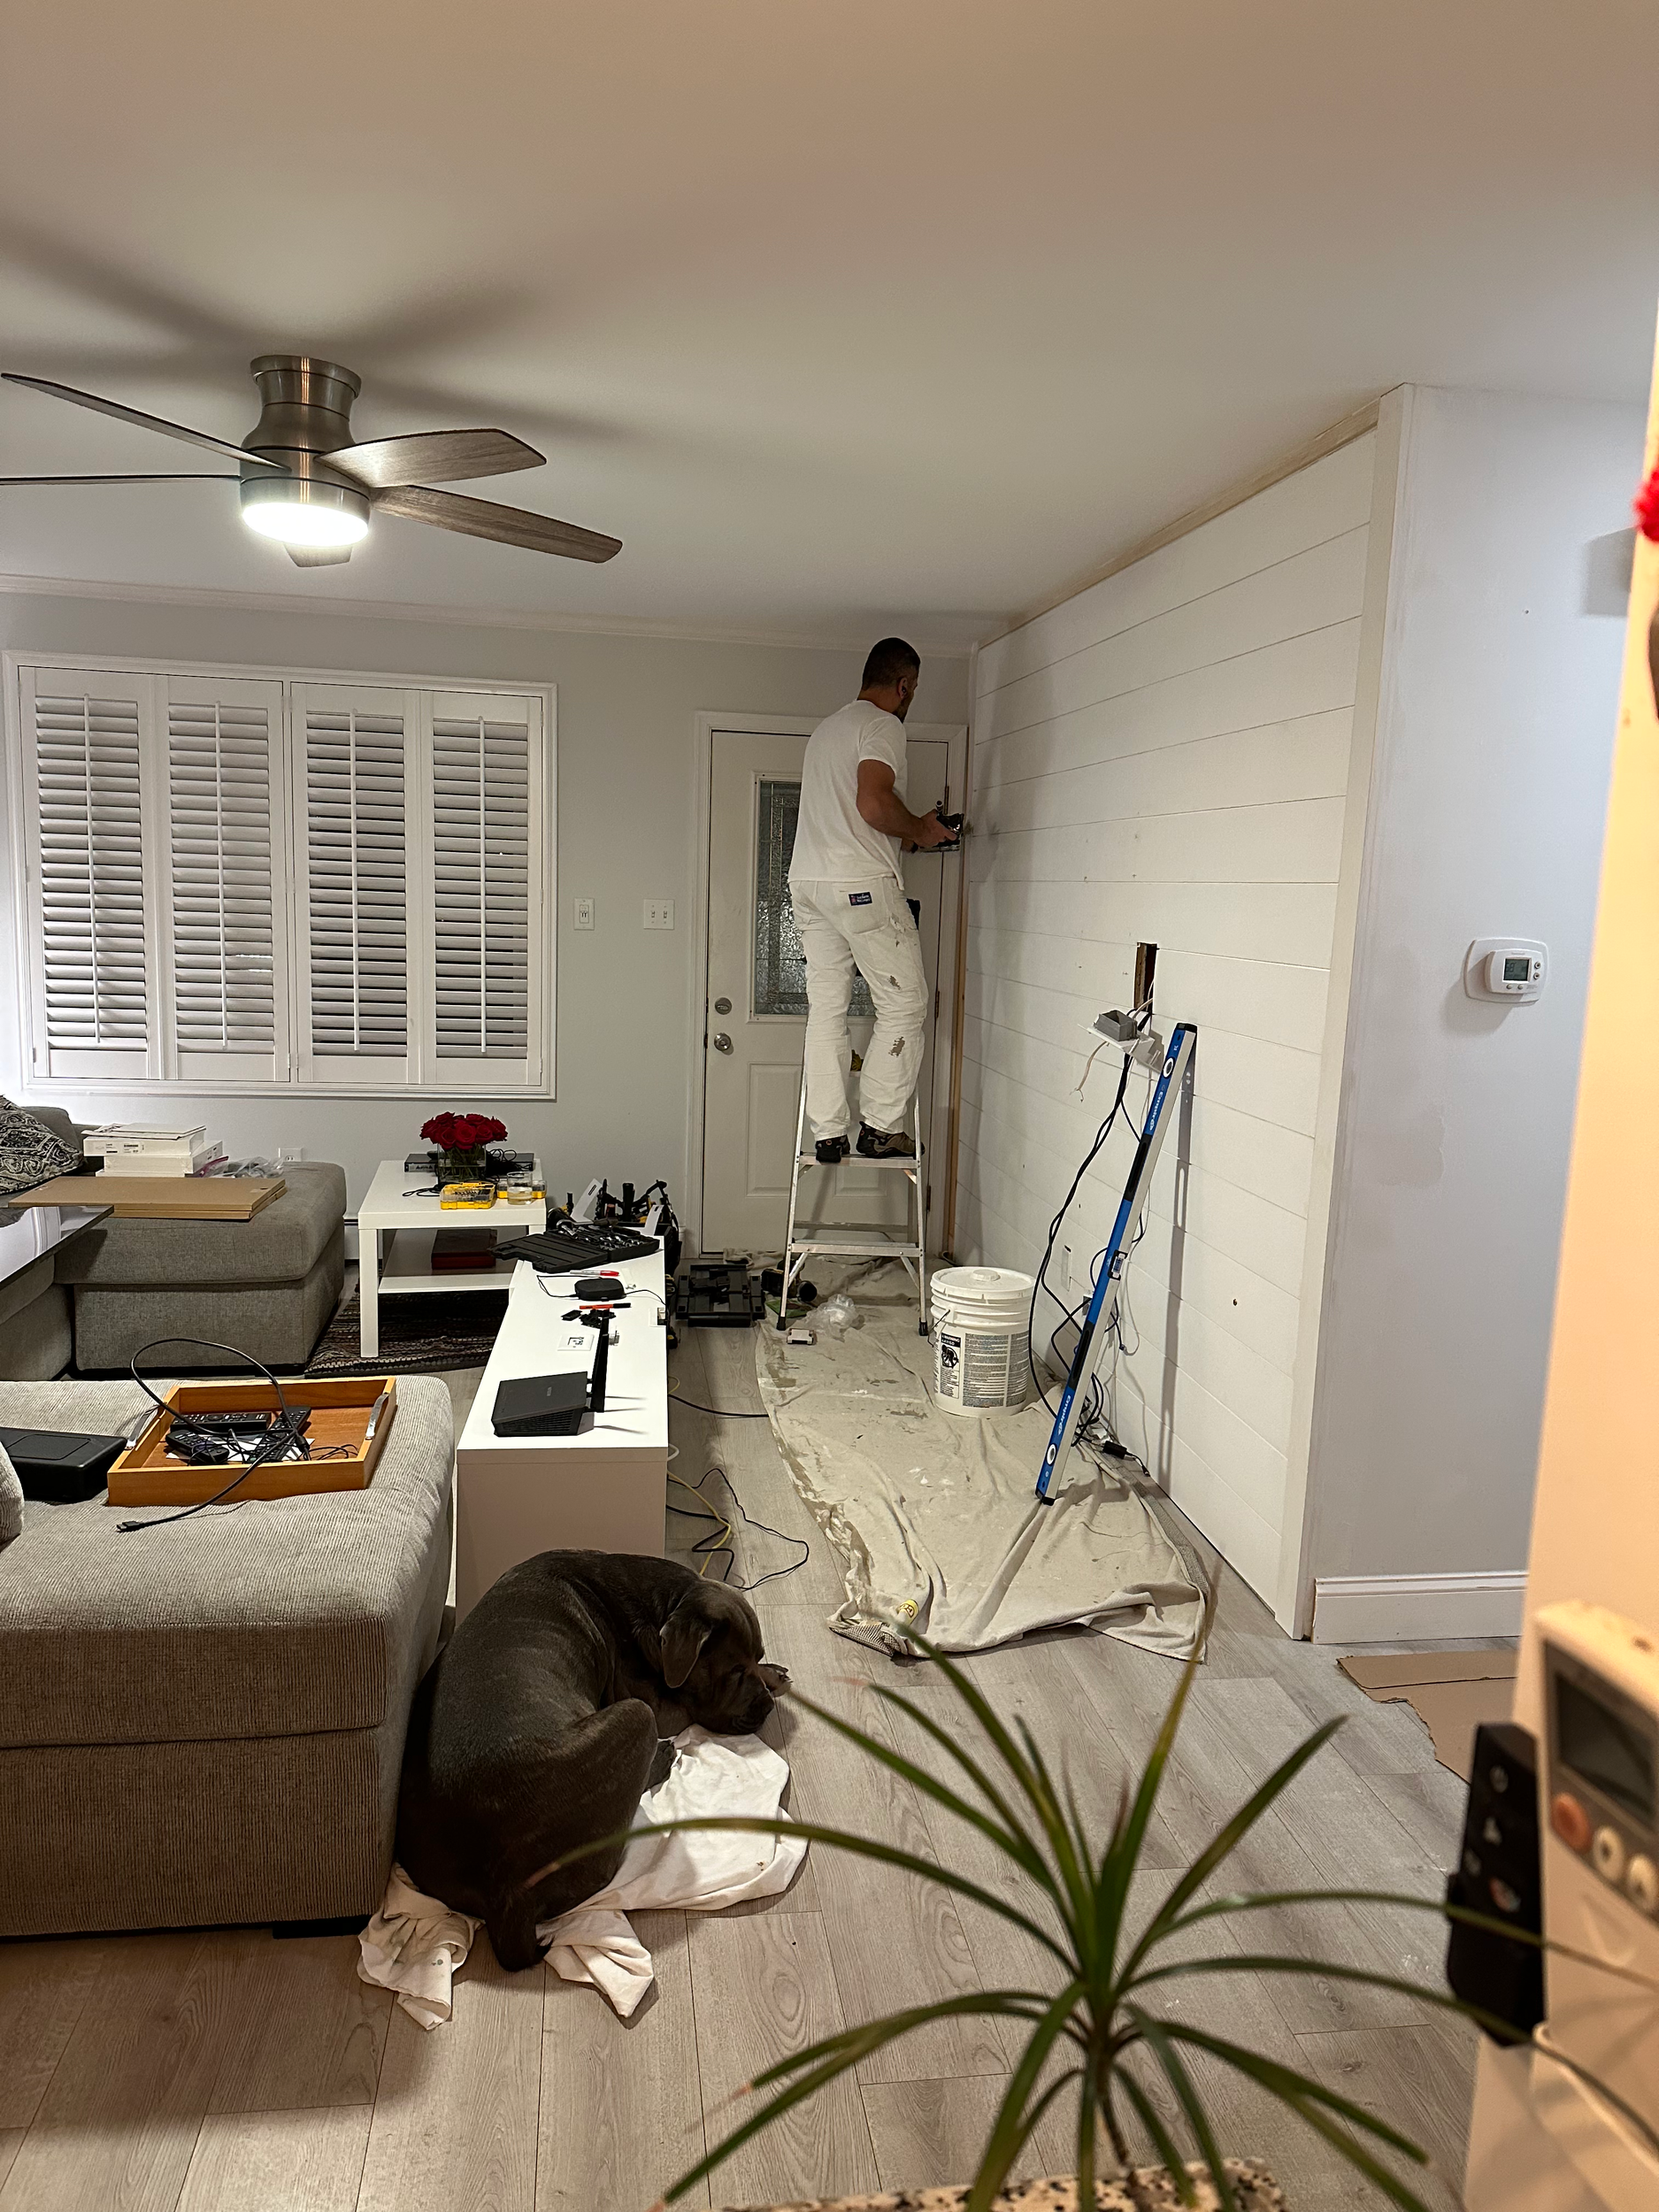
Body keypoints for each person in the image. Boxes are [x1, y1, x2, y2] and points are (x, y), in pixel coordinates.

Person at [787, 636, 956, 1164]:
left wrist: (911, 834)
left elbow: (853, 819)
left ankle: (828, 1131)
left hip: (809, 885)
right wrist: (921, 831)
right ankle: (881, 1129)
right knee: (905, 1004)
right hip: (859, 886)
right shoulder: (883, 725)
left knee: (827, 1008)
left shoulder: (827, 730)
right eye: (913, 690)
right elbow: (872, 804)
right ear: (904, 685)